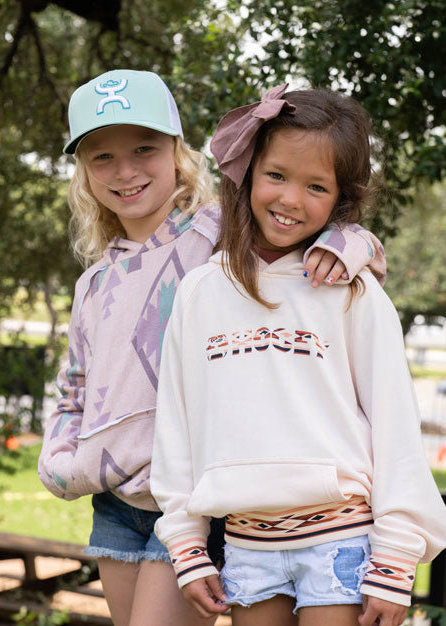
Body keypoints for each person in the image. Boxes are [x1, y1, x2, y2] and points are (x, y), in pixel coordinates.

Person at [38, 70, 385, 626]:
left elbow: (306, 227)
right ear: (83, 171)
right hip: (115, 507)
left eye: (144, 149)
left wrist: (350, 242)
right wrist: (64, 462)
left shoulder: (221, 234)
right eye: (102, 157)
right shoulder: (94, 283)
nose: (125, 170)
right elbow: (74, 389)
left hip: (195, 501)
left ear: (178, 151)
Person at [150, 84, 446, 626]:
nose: (290, 199)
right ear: (247, 173)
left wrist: (397, 555)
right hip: (246, 544)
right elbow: (176, 428)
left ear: (340, 199)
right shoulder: (199, 292)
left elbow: (395, 426)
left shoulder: (353, 291)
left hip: (343, 541)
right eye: (277, 175)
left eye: (316, 186)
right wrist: (187, 546)